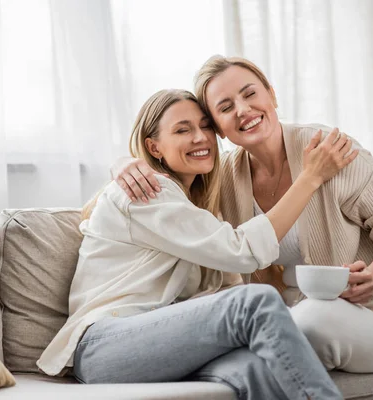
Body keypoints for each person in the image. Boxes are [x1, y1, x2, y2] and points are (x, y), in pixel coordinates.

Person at [38, 88, 356, 399]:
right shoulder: (149, 190)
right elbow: (242, 251)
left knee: (255, 368)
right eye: (182, 130)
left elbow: (221, 288)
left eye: (205, 126)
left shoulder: (193, 208)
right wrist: (311, 177)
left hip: (152, 342)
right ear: (155, 147)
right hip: (105, 345)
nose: (201, 137)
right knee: (255, 302)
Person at [112, 56, 373, 374]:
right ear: (217, 127)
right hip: (289, 313)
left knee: (305, 320)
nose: (243, 110)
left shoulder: (327, 150)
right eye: (225, 107)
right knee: (263, 330)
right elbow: (173, 204)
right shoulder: (226, 177)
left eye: (250, 94)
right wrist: (126, 162)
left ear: (271, 95)